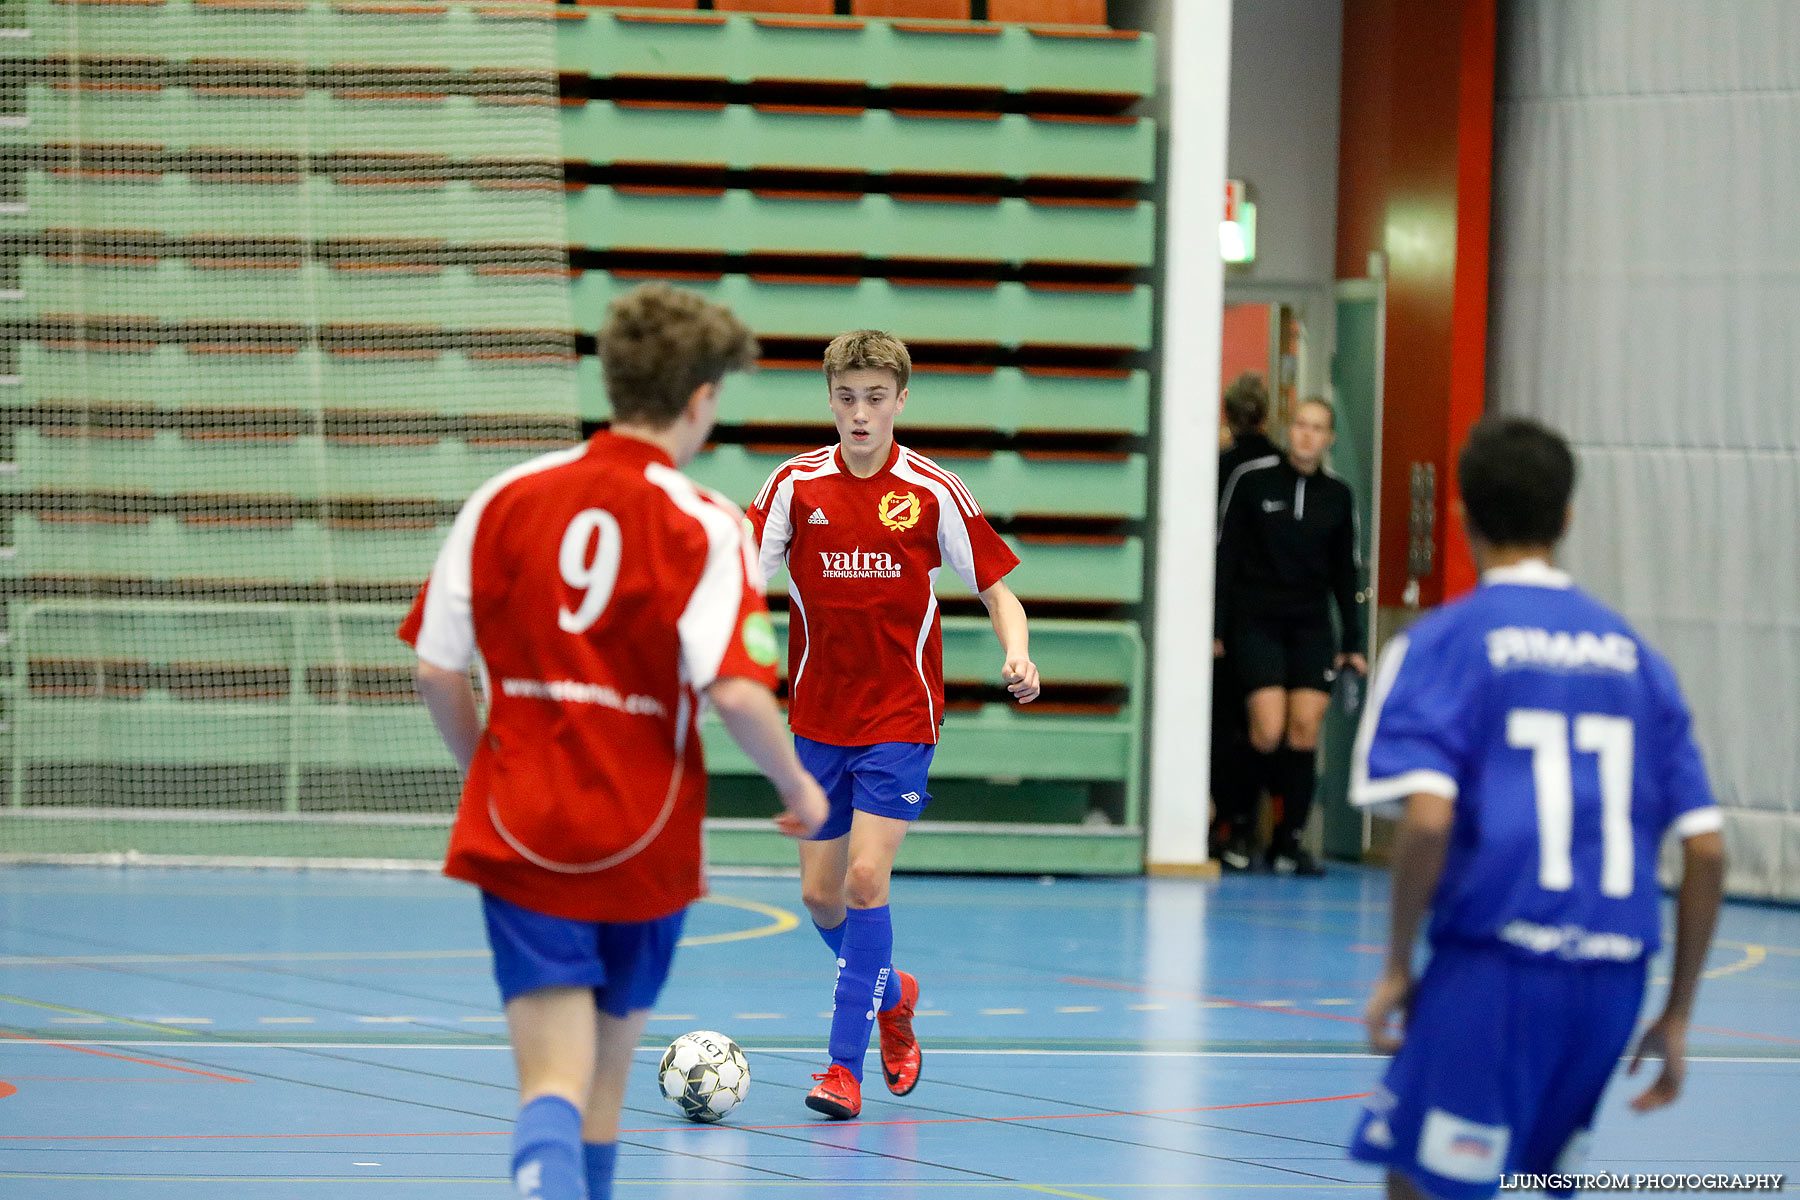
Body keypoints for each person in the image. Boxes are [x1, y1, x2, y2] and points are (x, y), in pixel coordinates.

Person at [401, 282, 828, 1200]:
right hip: (646, 840)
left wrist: (490, 773)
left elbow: (437, 674)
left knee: (548, 1087)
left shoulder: (504, 498)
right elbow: (739, 692)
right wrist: (799, 787)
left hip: (520, 828)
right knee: (603, 1089)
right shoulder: (712, 525)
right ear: (703, 398)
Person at [1347, 416, 1726, 1199]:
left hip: (1500, 964)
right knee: (1533, 1183)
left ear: (1462, 514)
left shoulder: (1444, 643)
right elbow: (1709, 850)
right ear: (1566, 518)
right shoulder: (1638, 659)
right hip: (1615, 977)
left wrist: (1394, 965)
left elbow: (1426, 820)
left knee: (1422, 1179)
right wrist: (1679, 1012)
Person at [747, 329, 1040, 1120]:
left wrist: (1019, 652)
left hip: (901, 717)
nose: (860, 413)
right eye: (847, 398)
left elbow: (997, 589)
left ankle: (841, 1070)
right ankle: (891, 989)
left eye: (876, 398)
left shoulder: (934, 490)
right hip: (815, 719)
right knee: (819, 896)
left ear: (900, 401)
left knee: (865, 880)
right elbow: (737, 579)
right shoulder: (794, 487)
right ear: (830, 400)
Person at [1214, 396, 1366, 875]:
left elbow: (1347, 574)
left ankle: (1290, 840)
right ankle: (1238, 828)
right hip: (1255, 621)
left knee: (1303, 729)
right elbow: (1226, 559)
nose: (1307, 435)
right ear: (1289, 429)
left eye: (1318, 428)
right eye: (1300, 425)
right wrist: (1217, 629)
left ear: (1329, 438)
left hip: (1310, 626)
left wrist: (1354, 643)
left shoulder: (1338, 496)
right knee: (1267, 728)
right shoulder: (1253, 479)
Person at [1212, 373, 1280, 871]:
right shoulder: (1276, 467)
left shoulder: (1224, 469)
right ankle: (1249, 828)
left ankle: (1227, 823)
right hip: (1265, 616)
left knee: (1231, 727)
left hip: (1235, 615)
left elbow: (1223, 551)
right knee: (1258, 730)